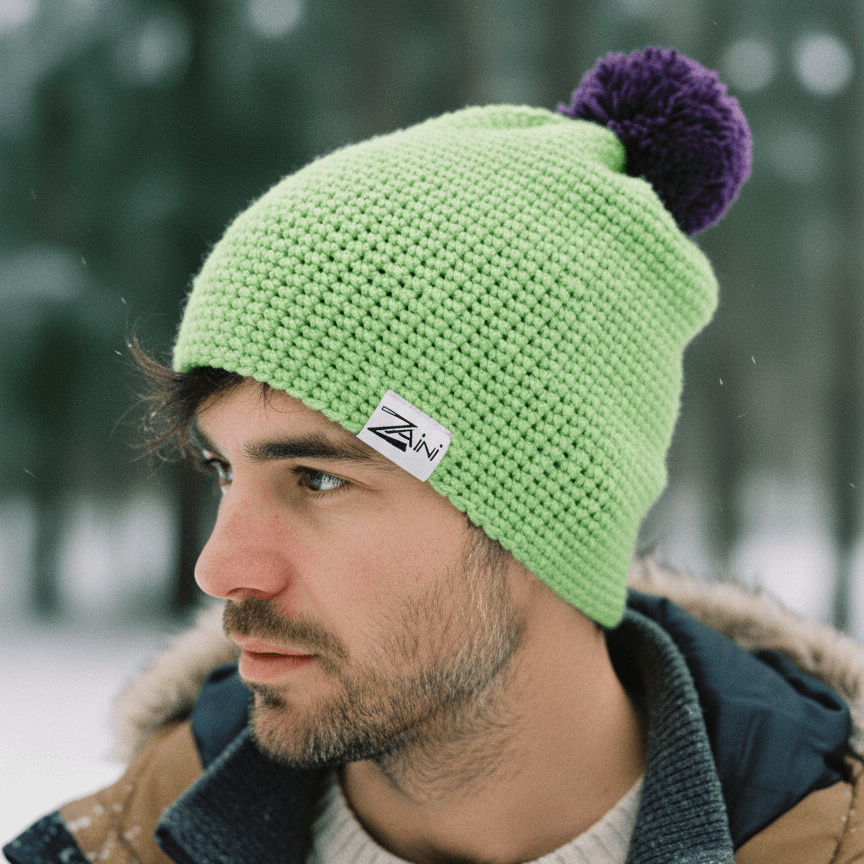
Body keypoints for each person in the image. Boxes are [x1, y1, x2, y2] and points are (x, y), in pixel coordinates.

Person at [6, 46, 864, 864]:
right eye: (226, 471)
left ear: (538, 514)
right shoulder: (125, 843)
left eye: (318, 477)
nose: (221, 567)